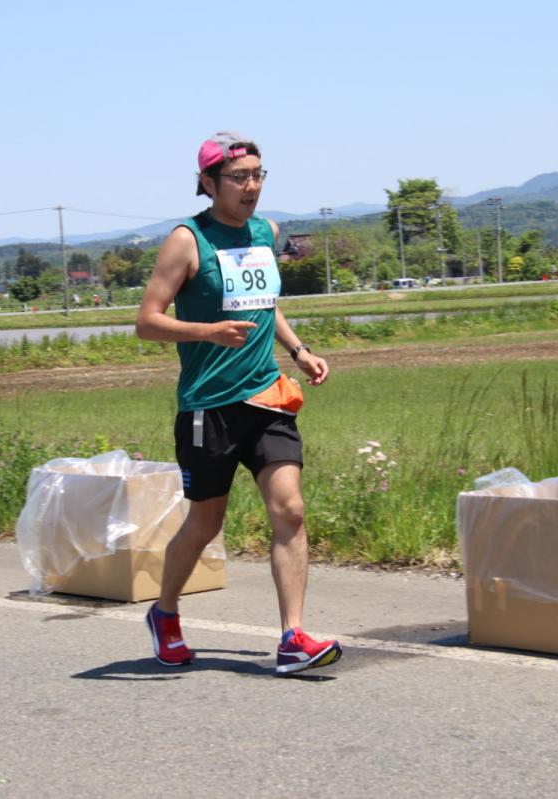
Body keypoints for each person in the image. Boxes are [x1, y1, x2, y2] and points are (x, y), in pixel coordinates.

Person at [135, 131, 342, 675]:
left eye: (258, 174)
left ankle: (293, 637)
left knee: (290, 510)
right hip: (209, 403)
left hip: (266, 392)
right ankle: (165, 613)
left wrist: (298, 350)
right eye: (239, 177)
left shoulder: (264, 232)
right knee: (206, 523)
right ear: (208, 184)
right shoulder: (187, 240)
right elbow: (147, 321)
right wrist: (206, 330)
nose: (251, 186)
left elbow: (263, 304)